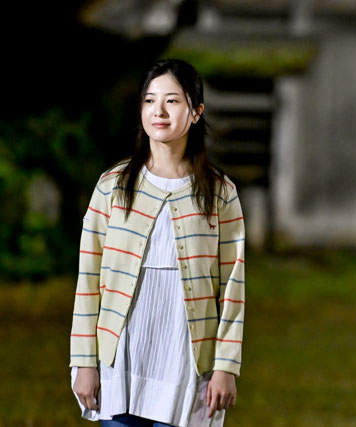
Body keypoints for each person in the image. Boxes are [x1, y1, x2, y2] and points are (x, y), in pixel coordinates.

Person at [69, 59, 245, 427]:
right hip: (123, 359)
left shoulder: (220, 193)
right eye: (150, 101)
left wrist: (226, 366)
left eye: (172, 101)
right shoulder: (113, 186)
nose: (158, 111)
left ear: (196, 112)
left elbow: (233, 287)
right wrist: (84, 361)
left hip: (185, 361)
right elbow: (88, 280)